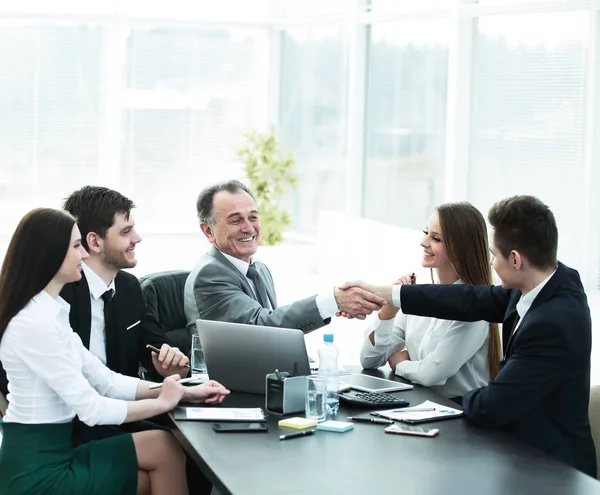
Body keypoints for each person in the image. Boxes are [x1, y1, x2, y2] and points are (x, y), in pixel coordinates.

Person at [342, 195, 596, 476]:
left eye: (494, 254)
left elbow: (491, 407)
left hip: (550, 468)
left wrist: (455, 401)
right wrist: (383, 292)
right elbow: (468, 298)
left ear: (515, 259)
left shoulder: (552, 324)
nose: (490, 261)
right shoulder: (554, 280)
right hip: (516, 450)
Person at [0, 208, 229, 495]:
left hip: (56, 451)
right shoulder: (34, 325)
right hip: (36, 469)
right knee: (151, 478)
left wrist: (182, 390)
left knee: (164, 446)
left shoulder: (52, 312)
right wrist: (162, 403)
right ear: (50, 254)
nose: (83, 254)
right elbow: (91, 407)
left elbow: (105, 379)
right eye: (75, 246)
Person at [183, 180, 386, 334]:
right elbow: (261, 328)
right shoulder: (210, 274)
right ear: (208, 231)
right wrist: (332, 302)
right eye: (236, 221)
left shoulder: (258, 268)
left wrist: (336, 305)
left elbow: (276, 332)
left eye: (253, 217)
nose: (248, 228)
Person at [359, 202, 501, 400]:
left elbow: (433, 374)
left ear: (460, 248)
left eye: (435, 238)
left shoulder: (475, 309)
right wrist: (387, 312)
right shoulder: (417, 298)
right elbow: (369, 360)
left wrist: (399, 364)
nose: (423, 242)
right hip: (422, 406)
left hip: (460, 416)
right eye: (426, 232)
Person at [61, 186, 188, 383]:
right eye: (126, 232)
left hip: (128, 406)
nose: (137, 238)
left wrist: (168, 365)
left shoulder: (129, 287)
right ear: (95, 242)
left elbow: (154, 345)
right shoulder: (60, 291)